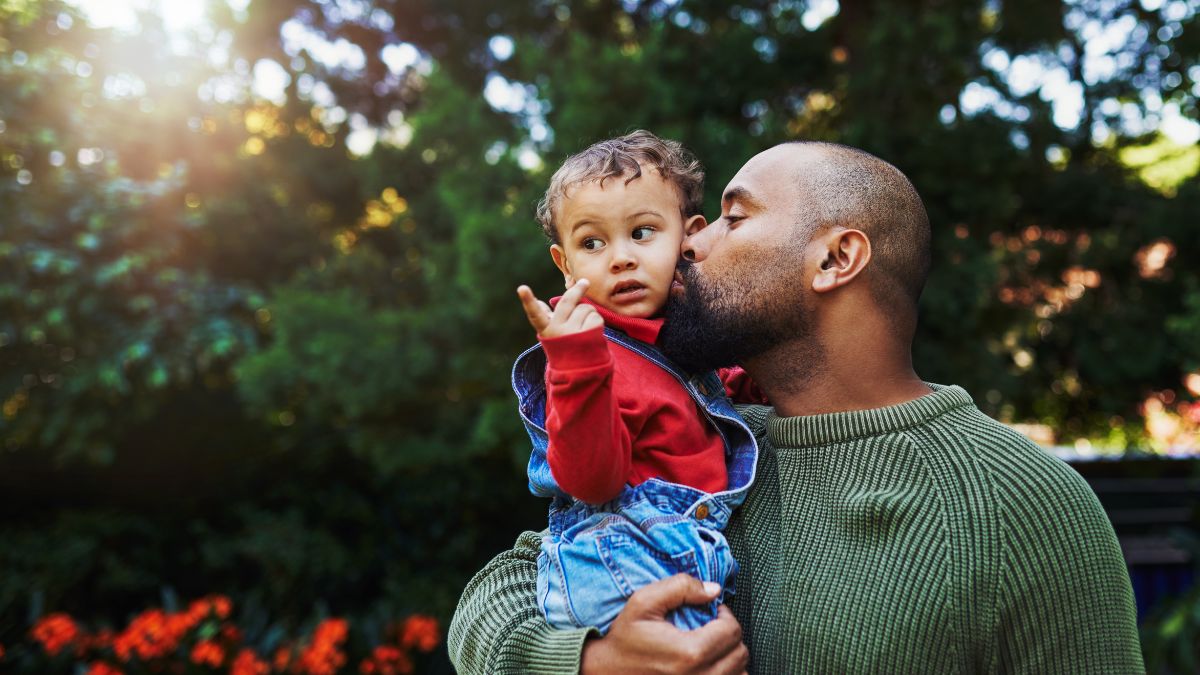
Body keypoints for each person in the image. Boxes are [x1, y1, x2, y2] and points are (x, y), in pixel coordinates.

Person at [449, 141, 1144, 673]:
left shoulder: (1023, 505)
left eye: (732, 216)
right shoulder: (715, 442)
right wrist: (588, 659)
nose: (687, 242)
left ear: (836, 258)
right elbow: (492, 597)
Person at [511, 130, 762, 636]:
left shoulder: (678, 341)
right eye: (592, 243)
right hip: (622, 558)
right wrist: (576, 365)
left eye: (642, 232)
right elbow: (592, 481)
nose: (620, 257)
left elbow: (727, 396)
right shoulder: (587, 351)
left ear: (688, 238)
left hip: (683, 551)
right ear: (565, 265)